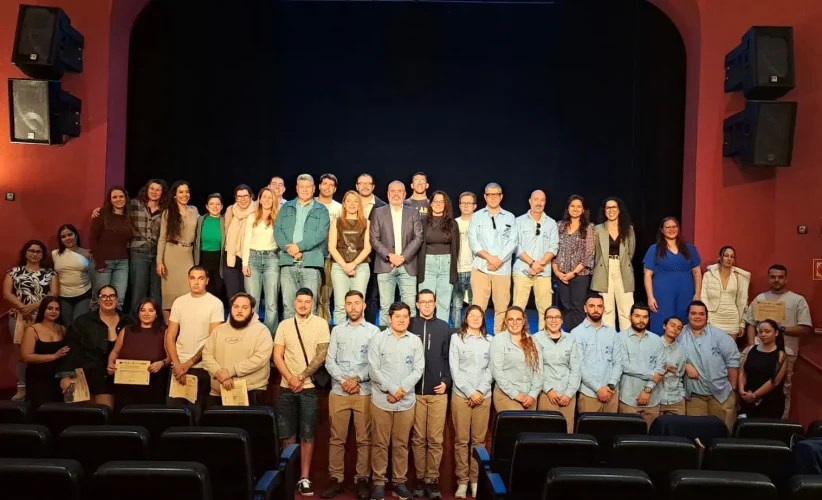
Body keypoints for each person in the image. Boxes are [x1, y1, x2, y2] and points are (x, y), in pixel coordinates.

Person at [322, 290, 380, 500]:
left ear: (364, 306)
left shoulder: (374, 331)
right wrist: (344, 381)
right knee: (336, 438)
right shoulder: (337, 331)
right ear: (344, 307)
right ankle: (336, 478)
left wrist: (356, 380)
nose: (353, 307)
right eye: (349, 304)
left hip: (363, 391)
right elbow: (330, 361)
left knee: (364, 439)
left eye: (357, 303)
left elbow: (374, 364)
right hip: (339, 391)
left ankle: (362, 479)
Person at [273, 288, 330, 497]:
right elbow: (277, 355)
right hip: (286, 387)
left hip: (308, 388)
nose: (303, 305)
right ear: (294, 302)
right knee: (286, 434)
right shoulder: (284, 325)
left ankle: (304, 477)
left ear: (312, 303)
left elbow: (321, 354)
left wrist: (301, 377)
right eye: (299, 301)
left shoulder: (321, 324)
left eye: (307, 302)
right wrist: (290, 378)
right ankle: (288, 474)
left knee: (307, 434)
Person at [368, 302, 424, 500]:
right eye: (397, 316)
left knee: (401, 444)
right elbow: (374, 370)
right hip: (381, 400)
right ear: (389, 318)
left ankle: (399, 482)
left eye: (405, 316)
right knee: (380, 444)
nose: (401, 320)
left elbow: (418, 369)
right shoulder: (378, 339)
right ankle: (378, 483)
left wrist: (401, 391)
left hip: (406, 401)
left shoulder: (415, 341)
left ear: (410, 318)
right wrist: (393, 390)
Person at [744, 264, 812, 419]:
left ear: (786, 279)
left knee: (782, 390)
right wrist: (751, 345)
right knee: (753, 387)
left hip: (785, 352)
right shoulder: (760, 299)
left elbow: (806, 328)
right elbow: (751, 323)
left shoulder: (797, 300)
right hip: (758, 352)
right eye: (773, 277)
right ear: (769, 278)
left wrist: (781, 330)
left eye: (780, 277)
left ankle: (780, 428)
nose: (776, 280)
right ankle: (751, 427)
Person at [93, 179, 167, 314]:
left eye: (158, 190)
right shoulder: (134, 204)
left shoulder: (166, 210)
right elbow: (115, 208)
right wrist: (99, 210)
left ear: (162, 193)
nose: (155, 192)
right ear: (146, 190)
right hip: (138, 251)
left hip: (157, 253)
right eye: (152, 189)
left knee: (156, 290)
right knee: (138, 290)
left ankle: (154, 322)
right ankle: (135, 321)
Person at [57, 285, 132, 409]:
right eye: (104, 296)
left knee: (110, 417)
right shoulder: (83, 321)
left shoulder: (128, 321)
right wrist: (65, 376)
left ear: (117, 299)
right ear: (98, 300)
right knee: (90, 418)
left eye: (112, 296)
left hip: (120, 379)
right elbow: (70, 349)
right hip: (87, 377)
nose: (108, 299)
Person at [409, 290, 452, 499]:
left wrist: (446, 382)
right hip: (415, 393)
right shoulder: (409, 324)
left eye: (430, 302)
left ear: (435, 304)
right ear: (417, 305)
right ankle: (419, 478)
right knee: (418, 439)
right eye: (423, 302)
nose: (427, 306)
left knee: (435, 439)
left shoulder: (444, 327)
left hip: (437, 393)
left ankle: (432, 480)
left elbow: (448, 359)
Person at [164, 266, 225, 416]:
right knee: (174, 414)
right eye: (192, 278)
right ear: (187, 280)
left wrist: (188, 364)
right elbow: (170, 336)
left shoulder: (215, 304)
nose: (196, 282)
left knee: (197, 415)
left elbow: (212, 340)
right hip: (177, 367)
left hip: (201, 367)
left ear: (207, 281)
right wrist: (177, 364)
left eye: (200, 278)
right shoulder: (179, 302)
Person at [3, 240, 58, 400]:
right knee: (22, 353)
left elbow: (53, 293)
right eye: (31, 251)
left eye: (38, 251)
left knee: (43, 351)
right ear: (25, 253)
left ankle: (43, 385)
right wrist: (22, 306)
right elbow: (7, 293)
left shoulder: (50, 273)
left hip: (44, 317)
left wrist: (34, 306)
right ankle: (22, 387)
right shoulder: (13, 272)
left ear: (42, 255)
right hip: (21, 317)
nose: (35, 254)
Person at [449, 305, 492, 499]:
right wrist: (469, 392)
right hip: (461, 396)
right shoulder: (456, 339)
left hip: (484, 396)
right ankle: (462, 481)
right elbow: (455, 370)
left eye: (479, 316)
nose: (475, 318)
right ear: (466, 318)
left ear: (483, 319)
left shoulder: (490, 341)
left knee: (479, 442)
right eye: (471, 315)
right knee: (461, 441)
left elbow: (491, 370)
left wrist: (479, 391)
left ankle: (475, 481)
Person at [202, 293, 274, 407]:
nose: (239, 310)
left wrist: (230, 372)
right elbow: (207, 355)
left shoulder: (262, 331)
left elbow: (260, 358)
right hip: (218, 393)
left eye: (244, 308)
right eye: (235, 307)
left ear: (252, 310)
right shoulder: (218, 330)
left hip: (252, 392)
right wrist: (220, 373)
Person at [275, 174, 331, 318]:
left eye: (308, 187)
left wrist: (299, 247)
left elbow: (320, 234)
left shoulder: (322, 210)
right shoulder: (286, 207)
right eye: (301, 187)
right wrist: (291, 250)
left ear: (313, 189)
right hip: (288, 262)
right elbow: (278, 231)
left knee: (310, 307)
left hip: (311, 264)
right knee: (289, 305)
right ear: (296, 188)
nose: (304, 190)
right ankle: (290, 339)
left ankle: (309, 340)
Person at [679, 301, 740, 431]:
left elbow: (733, 363)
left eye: (701, 314)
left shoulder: (720, 336)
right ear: (688, 316)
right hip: (694, 399)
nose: (697, 316)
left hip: (721, 396)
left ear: (707, 317)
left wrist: (733, 392)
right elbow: (666, 354)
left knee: (724, 437)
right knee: (696, 439)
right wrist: (684, 364)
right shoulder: (679, 335)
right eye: (693, 313)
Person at [370, 180, 423, 326]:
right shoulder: (378, 212)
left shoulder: (413, 213)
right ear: (387, 194)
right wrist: (390, 256)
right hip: (385, 265)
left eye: (399, 191)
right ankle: (385, 343)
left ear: (405, 194)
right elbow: (374, 239)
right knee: (386, 307)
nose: (396, 194)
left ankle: (410, 342)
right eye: (392, 191)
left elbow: (418, 237)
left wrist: (403, 257)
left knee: (410, 308)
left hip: (408, 265)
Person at [468, 183, 517, 333]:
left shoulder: (510, 217)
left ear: (501, 196)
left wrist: (498, 260)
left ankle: (500, 339)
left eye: (496, 194)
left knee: (502, 308)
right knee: (478, 307)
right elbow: (473, 241)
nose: (493, 197)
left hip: (502, 270)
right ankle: (477, 336)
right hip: (481, 269)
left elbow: (513, 242)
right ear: (485, 196)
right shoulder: (476, 216)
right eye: (490, 194)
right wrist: (490, 258)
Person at [643, 217, 702, 334]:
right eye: (668, 227)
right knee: (661, 322)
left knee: (684, 324)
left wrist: (698, 293)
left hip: (686, 293)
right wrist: (650, 297)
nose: (671, 229)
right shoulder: (654, 249)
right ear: (662, 230)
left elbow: (697, 272)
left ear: (678, 229)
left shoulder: (690, 248)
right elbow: (647, 274)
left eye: (674, 226)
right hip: (662, 294)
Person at [107, 299, 169, 408]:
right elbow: (115, 352)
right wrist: (110, 364)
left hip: (153, 386)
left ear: (156, 314)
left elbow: (170, 357)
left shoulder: (164, 332)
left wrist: (161, 363)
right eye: (143, 310)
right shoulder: (127, 330)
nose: (146, 314)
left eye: (151, 310)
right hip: (126, 386)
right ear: (138, 313)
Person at [513, 190, 558, 332]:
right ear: (530, 201)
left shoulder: (551, 223)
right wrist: (532, 263)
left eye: (542, 200)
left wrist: (540, 265)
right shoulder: (518, 221)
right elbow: (516, 245)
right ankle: (518, 338)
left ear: (545, 202)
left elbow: (553, 247)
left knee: (545, 310)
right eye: (536, 199)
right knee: (518, 308)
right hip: (522, 270)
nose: (538, 203)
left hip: (543, 273)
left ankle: (544, 341)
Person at [572, 293, 626, 413]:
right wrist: (598, 389)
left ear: (604, 309)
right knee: (588, 431)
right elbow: (579, 366)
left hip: (611, 394)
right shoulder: (576, 333)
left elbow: (619, 362)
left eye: (599, 306)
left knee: (611, 431)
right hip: (589, 394)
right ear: (585, 308)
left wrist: (610, 386)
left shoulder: (612, 333)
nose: (596, 309)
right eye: (592, 306)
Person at [617, 303, 665, 429]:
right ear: (630, 317)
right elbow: (623, 365)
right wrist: (650, 375)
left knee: (649, 442)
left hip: (652, 400)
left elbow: (660, 368)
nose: (641, 320)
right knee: (628, 439)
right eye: (637, 316)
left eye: (645, 317)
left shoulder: (656, 340)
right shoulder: (620, 338)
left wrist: (647, 389)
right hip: (628, 399)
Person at [157, 181, 200, 321]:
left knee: (187, 293)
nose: (184, 195)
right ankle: (169, 330)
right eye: (181, 192)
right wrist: (159, 261)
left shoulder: (194, 211)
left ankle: (185, 327)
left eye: (186, 192)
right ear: (175, 195)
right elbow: (162, 238)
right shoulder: (168, 213)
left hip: (188, 255)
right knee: (169, 296)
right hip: (171, 255)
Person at [592, 197, 636, 332]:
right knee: (606, 310)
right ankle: (608, 342)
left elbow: (630, 252)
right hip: (604, 269)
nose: (611, 211)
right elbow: (595, 253)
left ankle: (627, 343)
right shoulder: (598, 229)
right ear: (604, 211)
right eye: (608, 208)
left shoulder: (628, 229)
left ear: (619, 210)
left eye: (614, 207)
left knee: (626, 309)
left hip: (622, 269)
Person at [553, 195, 595, 332]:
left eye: (579, 206)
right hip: (561, 275)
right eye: (572, 206)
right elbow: (553, 249)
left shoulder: (589, 228)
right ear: (568, 208)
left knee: (577, 306)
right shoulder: (559, 226)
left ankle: (578, 338)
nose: (575, 209)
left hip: (579, 274)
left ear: (583, 210)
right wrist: (557, 272)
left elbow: (589, 254)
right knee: (565, 306)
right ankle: (568, 335)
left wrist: (573, 273)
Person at [534, 307, 580, 433]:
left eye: (557, 317)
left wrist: (568, 394)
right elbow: (537, 369)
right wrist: (549, 390)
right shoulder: (536, 339)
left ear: (562, 320)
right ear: (545, 320)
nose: (553, 320)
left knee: (567, 432)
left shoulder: (571, 339)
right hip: (547, 394)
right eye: (550, 317)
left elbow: (575, 369)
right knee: (547, 431)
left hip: (568, 395)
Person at [328, 191, 372, 325]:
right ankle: (340, 338)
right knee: (341, 306)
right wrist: (345, 265)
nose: (352, 204)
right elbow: (331, 247)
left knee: (358, 306)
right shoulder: (336, 222)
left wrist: (353, 264)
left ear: (359, 204)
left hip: (361, 267)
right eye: (349, 201)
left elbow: (368, 248)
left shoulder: (366, 223)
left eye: (355, 201)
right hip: (339, 266)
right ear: (344, 204)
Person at [417, 191, 460, 323]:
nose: (438, 204)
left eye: (441, 202)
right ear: (431, 203)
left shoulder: (452, 223)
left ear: (446, 204)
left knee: (444, 302)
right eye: (435, 201)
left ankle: (441, 333)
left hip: (446, 265)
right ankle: (424, 331)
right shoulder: (422, 221)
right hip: (427, 264)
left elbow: (456, 247)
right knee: (425, 302)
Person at [242, 187, 280, 334]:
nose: (267, 200)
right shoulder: (252, 217)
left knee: (271, 302)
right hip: (253, 259)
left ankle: (270, 337)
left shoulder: (278, 217)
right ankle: (252, 334)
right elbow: (246, 241)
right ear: (259, 199)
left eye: (270, 197)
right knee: (253, 300)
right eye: (264, 197)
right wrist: (245, 263)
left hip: (272, 259)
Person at [489, 306, 542, 411]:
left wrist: (532, 395)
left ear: (523, 321)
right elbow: (497, 371)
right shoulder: (498, 340)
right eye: (510, 319)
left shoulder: (533, 340)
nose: (514, 323)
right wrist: (516, 394)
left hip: (529, 397)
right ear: (506, 321)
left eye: (518, 319)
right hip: (507, 395)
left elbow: (539, 371)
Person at [90, 186, 133, 309]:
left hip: (122, 263)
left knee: (119, 299)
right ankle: (96, 327)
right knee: (100, 299)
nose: (118, 199)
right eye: (114, 197)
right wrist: (99, 262)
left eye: (121, 196)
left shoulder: (128, 217)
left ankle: (115, 326)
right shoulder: (101, 214)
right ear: (110, 200)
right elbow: (93, 239)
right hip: (103, 262)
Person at [21, 297, 68, 409]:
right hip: (38, 379)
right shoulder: (32, 330)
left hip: (57, 379)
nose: (53, 311)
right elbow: (26, 357)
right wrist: (54, 356)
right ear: (43, 310)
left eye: (57, 309)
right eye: (50, 308)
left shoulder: (62, 329)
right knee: (41, 411)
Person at [739, 319, 787, 419]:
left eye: (767, 331)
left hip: (770, 402)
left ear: (776, 333)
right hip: (748, 398)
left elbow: (774, 381)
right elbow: (743, 372)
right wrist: (742, 391)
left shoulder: (780, 355)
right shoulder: (751, 349)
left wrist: (754, 395)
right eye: (760, 332)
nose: (763, 334)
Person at [356, 173, 387, 325]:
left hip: (375, 258)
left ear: (373, 186)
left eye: (368, 183)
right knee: (354, 296)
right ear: (356, 186)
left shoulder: (382, 206)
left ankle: (369, 329)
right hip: (353, 258)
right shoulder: (349, 204)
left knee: (373, 297)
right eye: (361, 183)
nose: (365, 186)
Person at [701, 246, 750, 341]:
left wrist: (742, 324)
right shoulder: (708, 275)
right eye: (726, 255)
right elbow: (703, 297)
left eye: (732, 257)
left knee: (729, 351)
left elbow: (743, 301)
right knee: (712, 350)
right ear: (719, 257)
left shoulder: (739, 277)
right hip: (713, 317)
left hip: (732, 318)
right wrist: (705, 318)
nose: (729, 259)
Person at [53, 224, 92, 326]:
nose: (67, 238)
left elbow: (93, 274)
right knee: (67, 325)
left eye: (70, 235)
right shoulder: (55, 254)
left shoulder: (88, 253)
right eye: (63, 236)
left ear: (76, 235)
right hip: (63, 296)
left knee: (78, 323)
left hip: (84, 293)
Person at [316, 173, 342, 322]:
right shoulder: (311, 204)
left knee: (325, 295)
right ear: (319, 186)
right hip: (310, 255)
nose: (327, 187)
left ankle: (324, 327)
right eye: (324, 184)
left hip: (330, 257)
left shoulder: (338, 208)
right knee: (310, 293)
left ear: (335, 189)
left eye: (331, 185)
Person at [224, 184, 256, 298]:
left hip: (249, 258)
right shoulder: (230, 210)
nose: (242, 199)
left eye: (245, 196)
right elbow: (226, 230)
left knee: (247, 295)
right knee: (232, 295)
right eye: (239, 196)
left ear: (251, 196)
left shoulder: (257, 209)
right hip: (231, 258)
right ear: (235, 198)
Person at [451, 192, 476, 328]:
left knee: (474, 306)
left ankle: (472, 331)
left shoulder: (478, 224)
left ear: (475, 206)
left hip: (474, 270)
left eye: (469, 203)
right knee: (456, 305)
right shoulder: (454, 223)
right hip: (458, 269)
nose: (466, 206)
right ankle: (455, 332)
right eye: (463, 203)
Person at [194, 193, 225, 299]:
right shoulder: (200, 220)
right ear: (207, 206)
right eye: (212, 204)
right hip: (203, 258)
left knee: (217, 290)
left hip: (219, 260)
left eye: (218, 204)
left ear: (222, 206)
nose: (215, 206)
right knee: (203, 290)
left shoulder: (225, 221)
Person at [658, 317, 687, 416]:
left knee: (678, 430)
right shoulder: (653, 344)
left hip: (676, 399)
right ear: (664, 326)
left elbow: (680, 375)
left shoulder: (681, 350)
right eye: (672, 325)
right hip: (656, 399)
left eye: (679, 328)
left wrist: (682, 395)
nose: (675, 329)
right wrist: (662, 368)